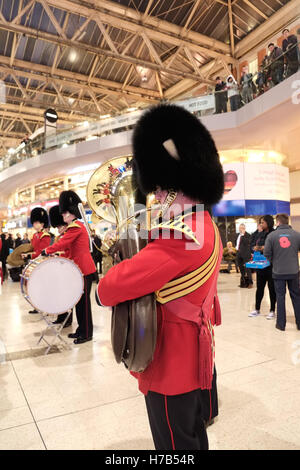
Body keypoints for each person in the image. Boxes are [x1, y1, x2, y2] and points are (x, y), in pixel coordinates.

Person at [96, 103, 225, 450]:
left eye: (159, 190)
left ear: (173, 186)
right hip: (194, 355)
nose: (155, 198)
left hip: (171, 362)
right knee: (193, 435)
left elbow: (112, 288)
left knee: (174, 444)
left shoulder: (180, 235)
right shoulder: (205, 225)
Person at [42, 191, 96, 344]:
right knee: (79, 303)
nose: (63, 216)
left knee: (84, 305)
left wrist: (47, 250)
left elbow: (62, 244)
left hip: (84, 270)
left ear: (72, 212)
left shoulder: (76, 227)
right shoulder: (74, 227)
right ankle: (81, 329)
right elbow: (68, 251)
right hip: (78, 270)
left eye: (65, 212)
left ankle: (87, 333)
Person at [264, 213, 300, 331]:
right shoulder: (297, 235)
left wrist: (274, 262)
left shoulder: (271, 236)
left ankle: (281, 324)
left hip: (278, 272)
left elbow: (267, 254)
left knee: (280, 297)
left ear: (278, 222)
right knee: (296, 297)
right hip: (294, 271)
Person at [22, 207, 51, 313]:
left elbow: (41, 252)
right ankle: (37, 306)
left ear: (42, 223)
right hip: (35, 264)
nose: (34, 224)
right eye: (33, 222)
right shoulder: (34, 235)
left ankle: (43, 305)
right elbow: (33, 249)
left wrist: (29, 255)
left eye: (36, 222)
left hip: (42, 264)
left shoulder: (45, 236)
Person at [48, 205, 73, 328]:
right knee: (60, 295)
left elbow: (68, 252)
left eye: (59, 226)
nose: (58, 229)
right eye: (57, 227)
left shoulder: (69, 234)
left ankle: (67, 319)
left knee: (67, 296)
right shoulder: (59, 237)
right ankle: (61, 317)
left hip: (67, 268)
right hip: (60, 268)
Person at [249, 215, 276, 319]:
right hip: (260, 265)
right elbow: (253, 244)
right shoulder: (260, 234)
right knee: (259, 288)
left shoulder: (274, 234)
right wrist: (254, 249)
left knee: (272, 289)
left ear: (268, 223)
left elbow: (272, 247)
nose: (261, 224)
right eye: (260, 223)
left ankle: (272, 310)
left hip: (271, 266)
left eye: (262, 222)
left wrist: (260, 248)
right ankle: (257, 309)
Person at [236, 224, 253, 288]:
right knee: (241, 269)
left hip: (246, 254)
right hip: (238, 253)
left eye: (242, 228)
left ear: (244, 228)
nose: (241, 229)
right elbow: (237, 243)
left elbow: (247, 242)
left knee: (247, 269)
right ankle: (244, 283)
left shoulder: (248, 235)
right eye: (240, 228)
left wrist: (243, 235)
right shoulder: (238, 235)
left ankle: (250, 283)